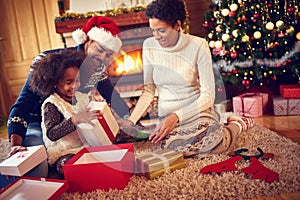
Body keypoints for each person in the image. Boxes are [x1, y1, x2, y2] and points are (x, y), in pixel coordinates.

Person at [121, 0, 255, 155]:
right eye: (153, 31)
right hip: (167, 118)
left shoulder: (198, 45)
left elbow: (208, 96)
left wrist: (176, 116)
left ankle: (237, 125)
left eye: (161, 31)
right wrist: (131, 121)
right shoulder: (149, 46)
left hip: (196, 112)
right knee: (172, 147)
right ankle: (220, 120)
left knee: (213, 143)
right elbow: (149, 91)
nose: (156, 36)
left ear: (177, 25)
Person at [7, 16, 130, 178]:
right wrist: (15, 144)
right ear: (87, 39)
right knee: (37, 169)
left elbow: (114, 98)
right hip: (37, 123)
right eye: (99, 49)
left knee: (105, 147)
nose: (102, 58)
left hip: (73, 127)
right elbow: (21, 107)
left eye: (108, 55)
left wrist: (127, 119)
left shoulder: (97, 68)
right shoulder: (48, 62)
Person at [29, 49, 99, 178]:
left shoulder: (81, 97)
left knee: (107, 152)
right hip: (63, 152)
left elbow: (91, 117)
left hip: (83, 146)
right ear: (54, 82)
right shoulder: (52, 104)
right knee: (68, 164)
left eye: (77, 81)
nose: (74, 86)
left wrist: (100, 108)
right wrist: (75, 120)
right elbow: (52, 134)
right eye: (68, 82)